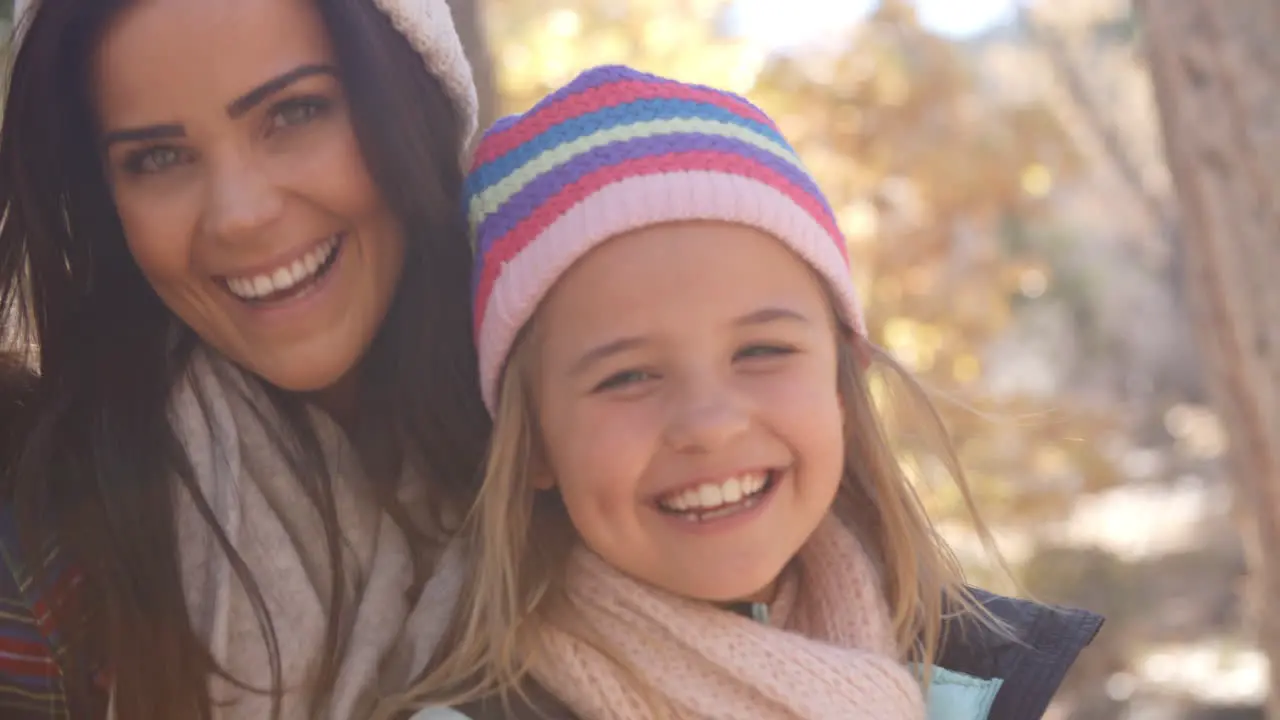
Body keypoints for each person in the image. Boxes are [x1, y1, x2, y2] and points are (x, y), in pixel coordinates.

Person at [384, 65, 1103, 720]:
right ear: (534, 436)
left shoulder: (973, 682)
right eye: (627, 376)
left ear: (843, 382)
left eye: (762, 350)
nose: (710, 422)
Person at [0, 0, 492, 717]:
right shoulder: (46, 566)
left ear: (414, 99)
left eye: (294, 112)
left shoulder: (601, 436)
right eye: (158, 158)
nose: (239, 213)